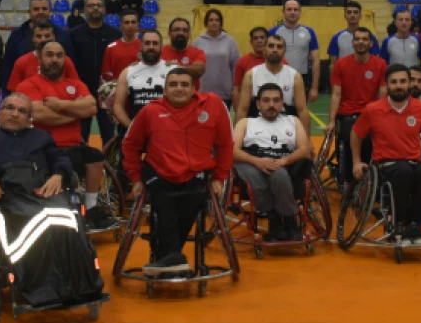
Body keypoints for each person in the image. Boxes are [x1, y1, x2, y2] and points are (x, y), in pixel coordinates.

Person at [0, 92, 106, 306]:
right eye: (10, 108)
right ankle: (38, 287)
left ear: (29, 119)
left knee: (68, 216)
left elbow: (61, 159)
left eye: (22, 111)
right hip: (7, 195)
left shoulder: (42, 138)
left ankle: (81, 283)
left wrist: (58, 175)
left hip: (41, 192)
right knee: (30, 220)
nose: (15, 114)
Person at [122, 68, 234, 275]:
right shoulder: (150, 111)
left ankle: (169, 257)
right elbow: (130, 145)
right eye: (173, 85)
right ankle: (173, 256)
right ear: (164, 91)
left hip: (196, 174)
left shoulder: (213, 105)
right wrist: (135, 177)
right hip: (159, 171)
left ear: (193, 89)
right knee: (165, 204)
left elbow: (226, 144)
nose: (179, 89)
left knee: (190, 204)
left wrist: (220, 177)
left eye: (184, 84)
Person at [17, 41, 115, 229]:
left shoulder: (76, 84)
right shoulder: (28, 85)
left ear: (65, 60)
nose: (54, 60)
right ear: (40, 58)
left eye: (59, 56)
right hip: (43, 149)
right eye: (50, 55)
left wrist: (60, 105)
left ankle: (92, 207)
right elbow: (39, 114)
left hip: (74, 146)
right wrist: (75, 112)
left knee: (95, 157)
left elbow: (92, 107)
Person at [351, 64, 421, 244]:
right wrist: (357, 162)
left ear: (409, 83)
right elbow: (356, 134)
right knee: (403, 171)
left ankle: (415, 224)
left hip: (414, 162)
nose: (399, 86)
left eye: (403, 81)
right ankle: (397, 223)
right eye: (394, 82)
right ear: (387, 85)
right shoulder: (373, 109)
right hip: (386, 164)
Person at [233, 83, 314, 241]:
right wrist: (257, 162)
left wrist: (284, 161)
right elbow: (232, 151)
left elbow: (304, 149)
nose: (271, 105)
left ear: (282, 104)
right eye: (266, 100)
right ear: (258, 104)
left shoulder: (293, 121)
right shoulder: (246, 123)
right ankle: (286, 219)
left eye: (276, 100)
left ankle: (279, 220)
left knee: (278, 174)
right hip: (251, 162)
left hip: (284, 163)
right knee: (269, 173)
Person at [327, 27, 386, 187]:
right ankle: (350, 176)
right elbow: (336, 95)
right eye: (357, 39)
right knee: (352, 134)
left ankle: (372, 177)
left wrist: (382, 117)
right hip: (348, 114)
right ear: (353, 42)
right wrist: (331, 121)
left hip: (371, 113)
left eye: (364, 39)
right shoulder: (341, 64)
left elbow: (382, 93)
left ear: (371, 43)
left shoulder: (380, 64)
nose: (361, 42)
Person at [69, 0, 122, 144]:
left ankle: (110, 167)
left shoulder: (115, 34)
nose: (95, 9)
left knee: (109, 137)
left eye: (99, 5)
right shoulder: (74, 34)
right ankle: (81, 167)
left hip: (107, 93)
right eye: (91, 6)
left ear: (105, 10)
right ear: (85, 9)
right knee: (80, 136)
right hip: (82, 93)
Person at [237, 35, 310, 133]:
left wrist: (306, 139)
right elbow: (242, 109)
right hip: (257, 128)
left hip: (286, 128)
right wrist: (236, 138)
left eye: (279, 47)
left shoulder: (295, 76)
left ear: (284, 51)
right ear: (264, 49)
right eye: (271, 46)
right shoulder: (251, 75)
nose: (275, 50)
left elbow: (302, 110)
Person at [1, 0, 75, 92]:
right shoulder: (16, 35)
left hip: (57, 92)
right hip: (24, 93)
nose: (41, 12)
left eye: (44, 9)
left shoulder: (63, 35)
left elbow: (70, 66)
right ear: (29, 12)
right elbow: (8, 65)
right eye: (36, 9)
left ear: (49, 11)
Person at [111, 30, 178, 128]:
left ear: (161, 47)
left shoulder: (173, 70)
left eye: (155, 43)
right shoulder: (128, 72)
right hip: (137, 131)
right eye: (147, 43)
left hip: (166, 131)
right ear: (141, 46)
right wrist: (132, 128)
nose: (151, 47)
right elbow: (118, 106)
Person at [6, 20, 80, 91]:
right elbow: (15, 94)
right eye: (39, 36)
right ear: (33, 38)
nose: (43, 39)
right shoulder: (21, 62)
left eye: (47, 36)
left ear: (54, 37)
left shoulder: (65, 61)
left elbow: (77, 88)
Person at [269, 0, 320, 101]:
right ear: (283, 12)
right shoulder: (274, 31)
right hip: (277, 77)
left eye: (295, 10)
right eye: (289, 9)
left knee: (300, 112)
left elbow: (316, 61)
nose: (292, 12)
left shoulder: (309, 32)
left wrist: (314, 87)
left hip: (301, 79)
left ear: (300, 12)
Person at [192, 9, 240, 107]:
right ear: (206, 23)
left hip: (225, 93)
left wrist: (235, 89)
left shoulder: (230, 42)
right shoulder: (197, 42)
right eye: (211, 20)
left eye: (217, 20)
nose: (214, 23)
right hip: (202, 92)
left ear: (221, 23)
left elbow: (235, 67)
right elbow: (193, 68)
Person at [327, 1, 381, 69]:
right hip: (344, 76)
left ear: (360, 16)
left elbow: (375, 62)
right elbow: (333, 64)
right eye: (349, 12)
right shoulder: (336, 38)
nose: (352, 15)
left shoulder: (371, 37)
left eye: (355, 12)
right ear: (345, 16)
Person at [233, 27, 272, 109]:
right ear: (251, 42)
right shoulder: (242, 61)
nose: (259, 41)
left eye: (262, 38)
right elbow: (237, 89)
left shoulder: (279, 61)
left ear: (267, 40)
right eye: (256, 38)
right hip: (250, 107)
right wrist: (238, 112)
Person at [162, 18, 207, 89]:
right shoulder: (160, 51)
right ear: (169, 33)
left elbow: (199, 71)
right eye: (177, 29)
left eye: (185, 30)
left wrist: (175, 67)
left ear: (189, 35)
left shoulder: (197, 52)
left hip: (191, 98)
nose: (181, 33)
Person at [101, 10, 142, 84]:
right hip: (117, 90)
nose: (130, 26)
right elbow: (106, 74)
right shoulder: (110, 48)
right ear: (121, 25)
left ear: (137, 25)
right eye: (126, 22)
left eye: (133, 22)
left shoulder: (145, 47)